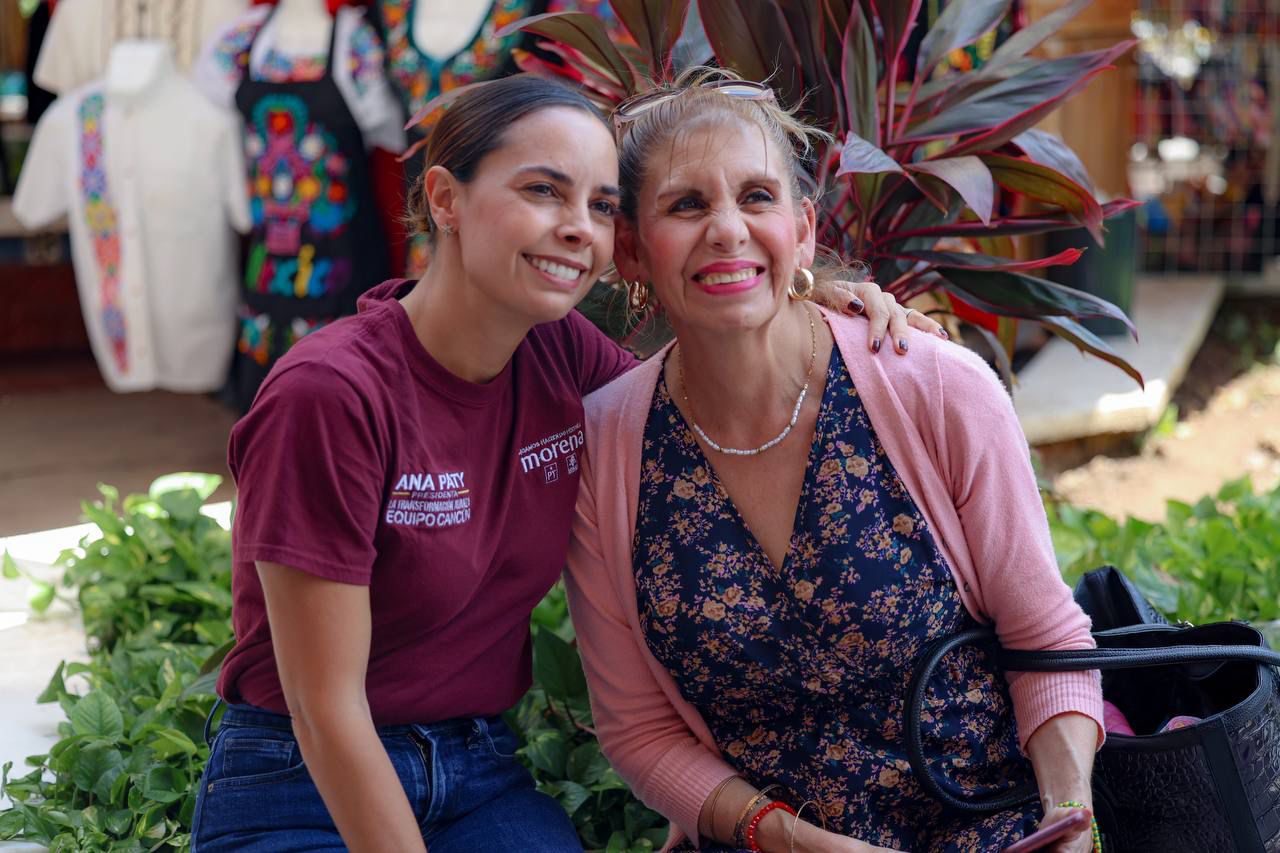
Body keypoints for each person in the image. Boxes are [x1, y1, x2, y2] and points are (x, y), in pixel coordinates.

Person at [190, 74, 939, 852]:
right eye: (544, 191)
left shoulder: (559, 355)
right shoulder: (330, 397)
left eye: (602, 205)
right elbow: (325, 709)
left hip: (476, 769)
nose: (580, 228)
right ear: (445, 199)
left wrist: (821, 303)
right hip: (300, 776)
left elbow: (704, 401)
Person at [564, 70, 1105, 853]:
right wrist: (787, 837)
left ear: (804, 229)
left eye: (757, 197)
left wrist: (1068, 815)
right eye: (686, 205)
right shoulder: (608, 447)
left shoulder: (935, 386)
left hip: (991, 828)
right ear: (631, 249)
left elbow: (1044, 636)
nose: (727, 230)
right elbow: (639, 729)